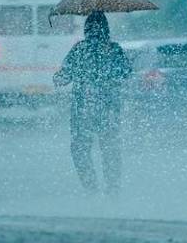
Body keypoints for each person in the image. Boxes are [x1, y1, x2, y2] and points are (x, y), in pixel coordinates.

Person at [54, 11, 132, 194]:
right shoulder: (114, 49)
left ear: (86, 29)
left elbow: (62, 77)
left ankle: (91, 188)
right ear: (107, 29)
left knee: (80, 151)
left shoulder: (79, 50)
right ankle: (113, 189)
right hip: (109, 110)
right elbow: (126, 73)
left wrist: (60, 77)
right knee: (110, 151)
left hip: (83, 111)